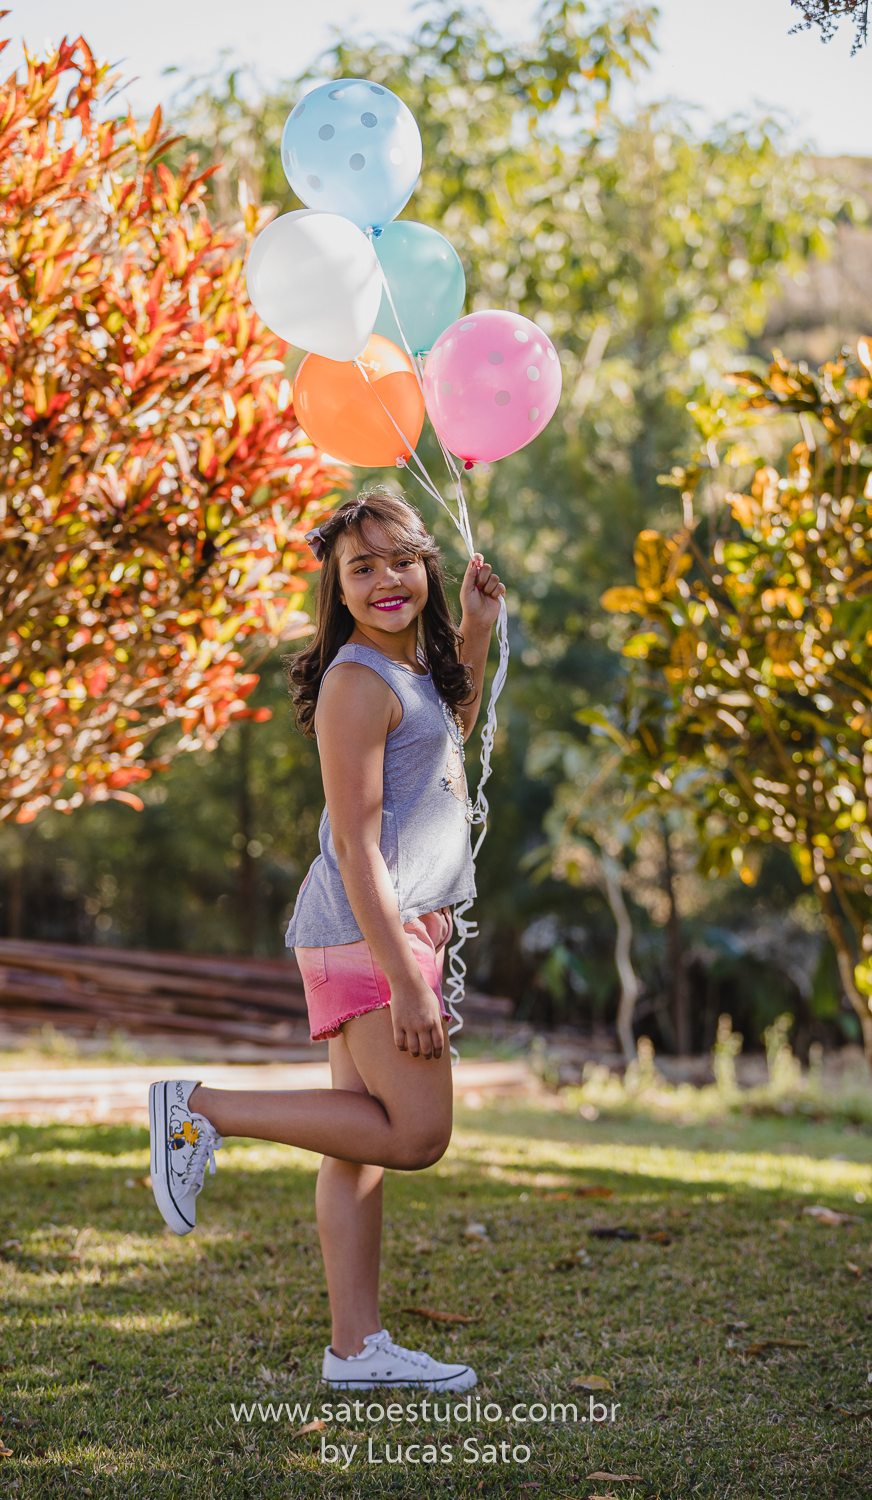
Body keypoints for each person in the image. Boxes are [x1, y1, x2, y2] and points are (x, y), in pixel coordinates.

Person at [148, 488, 505, 1393]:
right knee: (417, 1136)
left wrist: (475, 632)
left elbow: (438, 761)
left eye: (399, 560)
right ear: (337, 590)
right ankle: (200, 1107)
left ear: (425, 565)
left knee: (355, 1147)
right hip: (365, 933)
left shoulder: (409, 674)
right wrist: (407, 980)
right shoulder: (354, 681)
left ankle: (356, 1350)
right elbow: (353, 842)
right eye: (362, 567)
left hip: (384, 928)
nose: (386, 579)